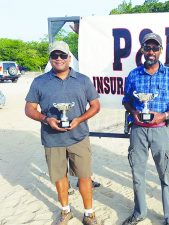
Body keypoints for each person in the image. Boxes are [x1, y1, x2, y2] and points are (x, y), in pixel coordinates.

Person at [25, 41, 101, 225]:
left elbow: (95, 105)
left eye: (62, 55)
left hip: (79, 137)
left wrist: (79, 119)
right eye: (54, 56)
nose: (59, 59)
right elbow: (29, 109)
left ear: (69, 58)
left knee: (84, 176)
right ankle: (66, 211)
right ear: (50, 58)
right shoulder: (39, 82)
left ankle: (89, 213)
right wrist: (46, 119)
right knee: (59, 177)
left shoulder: (83, 80)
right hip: (52, 139)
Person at [122, 32, 169, 225]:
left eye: (155, 48)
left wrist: (165, 115)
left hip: (161, 130)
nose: (151, 51)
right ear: (142, 50)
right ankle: (139, 212)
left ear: (161, 51)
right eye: (147, 48)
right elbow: (126, 100)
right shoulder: (134, 74)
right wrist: (134, 112)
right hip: (138, 130)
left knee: (166, 174)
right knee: (137, 174)